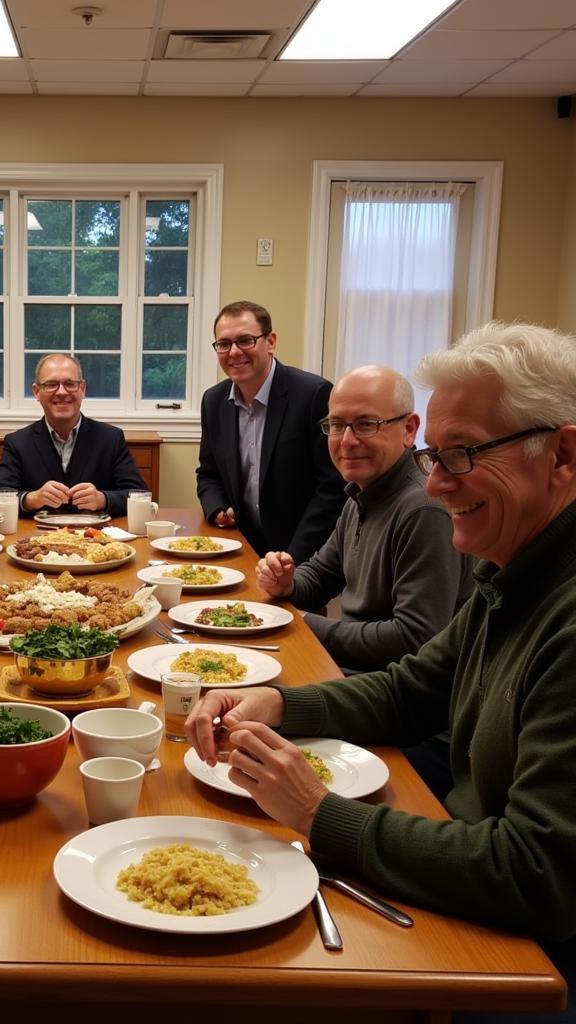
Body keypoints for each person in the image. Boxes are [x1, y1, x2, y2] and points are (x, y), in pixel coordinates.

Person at [186, 323, 576, 969]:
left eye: (464, 454)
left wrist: (319, 814)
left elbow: (538, 876)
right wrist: (275, 702)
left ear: (562, 455)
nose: (434, 484)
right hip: (459, 844)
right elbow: (415, 688)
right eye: (436, 455)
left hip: (530, 953)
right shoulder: (510, 564)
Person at [255, 364, 473, 674]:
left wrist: (301, 623)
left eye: (366, 424)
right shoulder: (362, 493)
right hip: (353, 670)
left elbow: (414, 638)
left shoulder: (424, 509)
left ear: (409, 429)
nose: (346, 440)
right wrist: (286, 583)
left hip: (390, 691)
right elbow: (321, 575)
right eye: (336, 424)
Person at [196, 300, 345, 563]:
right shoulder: (213, 401)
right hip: (240, 548)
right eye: (224, 344)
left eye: (245, 340)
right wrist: (217, 508)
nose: (234, 352)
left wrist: (292, 558)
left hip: (300, 552)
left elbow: (331, 489)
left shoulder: (314, 395)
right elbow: (208, 474)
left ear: (271, 341)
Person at [0, 352, 148, 517]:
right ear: (36, 391)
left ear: (82, 389)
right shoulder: (17, 442)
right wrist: (32, 499)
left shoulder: (111, 438)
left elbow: (139, 495)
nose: (61, 392)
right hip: (37, 538)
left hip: (96, 538)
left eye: (70, 383)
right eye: (51, 384)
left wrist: (102, 499)